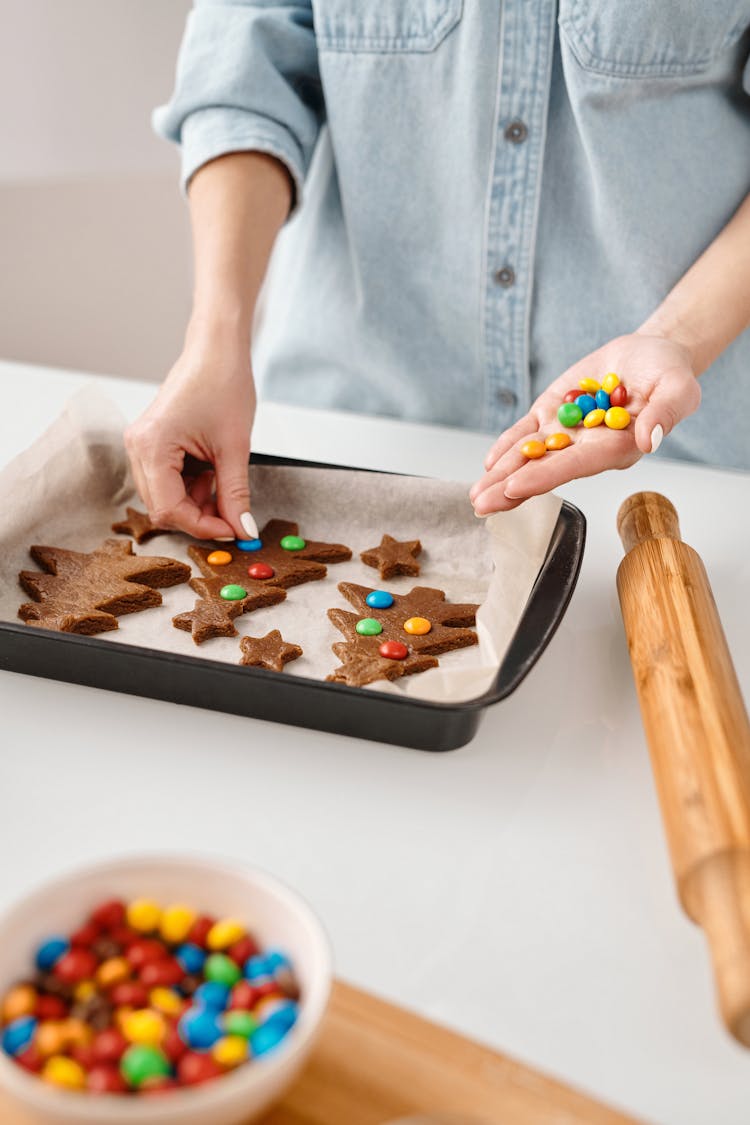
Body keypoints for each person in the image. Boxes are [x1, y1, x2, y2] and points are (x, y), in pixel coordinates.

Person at [125, 1, 750, 539]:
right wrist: (214, 341)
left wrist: (675, 339)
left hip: (691, 474)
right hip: (339, 431)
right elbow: (244, 69)